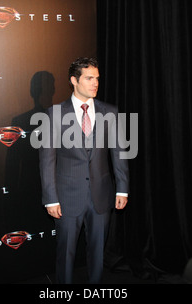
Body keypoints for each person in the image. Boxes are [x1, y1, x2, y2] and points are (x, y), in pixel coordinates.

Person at [38, 57, 129, 284]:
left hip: (101, 195)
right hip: (68, 198)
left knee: (98, 255)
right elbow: (47, 160)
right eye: (89, 78)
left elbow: (119, 153)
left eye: (97, 78)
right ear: (74, 80)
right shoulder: (54, 114)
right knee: (65, 255)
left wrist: (122, 189)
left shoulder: (110, 112)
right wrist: (51, 199)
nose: (95, 83)